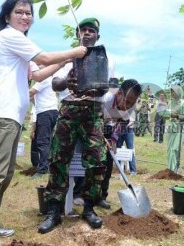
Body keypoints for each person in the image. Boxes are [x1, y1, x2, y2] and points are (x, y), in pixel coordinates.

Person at [0, 0, 86, 246]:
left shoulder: (19, 42)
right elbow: (43, 58)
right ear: (8, 16)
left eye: (28, 13)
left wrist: (67, 59)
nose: (25, 16)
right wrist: (76, 51)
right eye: (19, 12)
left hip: (12, 115)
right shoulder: (8, 35)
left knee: (5, 173)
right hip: (2, 112)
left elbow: (38, 73)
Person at [38, 17, 110, 234]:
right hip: (69, 110)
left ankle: (89, 208)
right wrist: (67, 83)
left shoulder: (105, 57)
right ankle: (54, 211)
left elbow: (108, 87)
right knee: (58, 159)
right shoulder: (69, 56)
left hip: (94, 112)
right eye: (83, 30)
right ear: (78, 34)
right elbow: (54, 83)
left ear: (97, 36)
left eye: (91, 31)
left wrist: (97, 87)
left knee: (97, 162)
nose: (87, 33)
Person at [100, 79, 142, 209]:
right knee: (94, 163)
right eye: (127, 101)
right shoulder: (105, 99)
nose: (128, 106)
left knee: (108, 163)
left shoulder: (132, 105)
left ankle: (102, 196)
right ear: (119, 94)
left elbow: (122, 122)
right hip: (94, 126)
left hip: (111, 128)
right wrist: (101, 137)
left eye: (132, 103)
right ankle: (86, 195)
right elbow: (93, 120)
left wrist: (113, 139)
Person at [29, 62, 59, 178]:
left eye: (40, 66)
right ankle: (47, 166)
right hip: (48, 111)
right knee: (47, 140)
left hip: (46, 112)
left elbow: (30, 92)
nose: (37, 68)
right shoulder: (47, 81)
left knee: (42, 141)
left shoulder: (44, 79)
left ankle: (42, 169)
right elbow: (34, 99)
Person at [163, 85, 184, 173]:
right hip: (171, 128)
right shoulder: (170, 103)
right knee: (170, 149)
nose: (172, 93)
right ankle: (170, 168)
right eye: (171, 92)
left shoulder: (183, 103)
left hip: (179, 128)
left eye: (174, 91)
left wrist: (176, 115)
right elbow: (167, 115)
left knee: (175, 149)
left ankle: (175, 169)